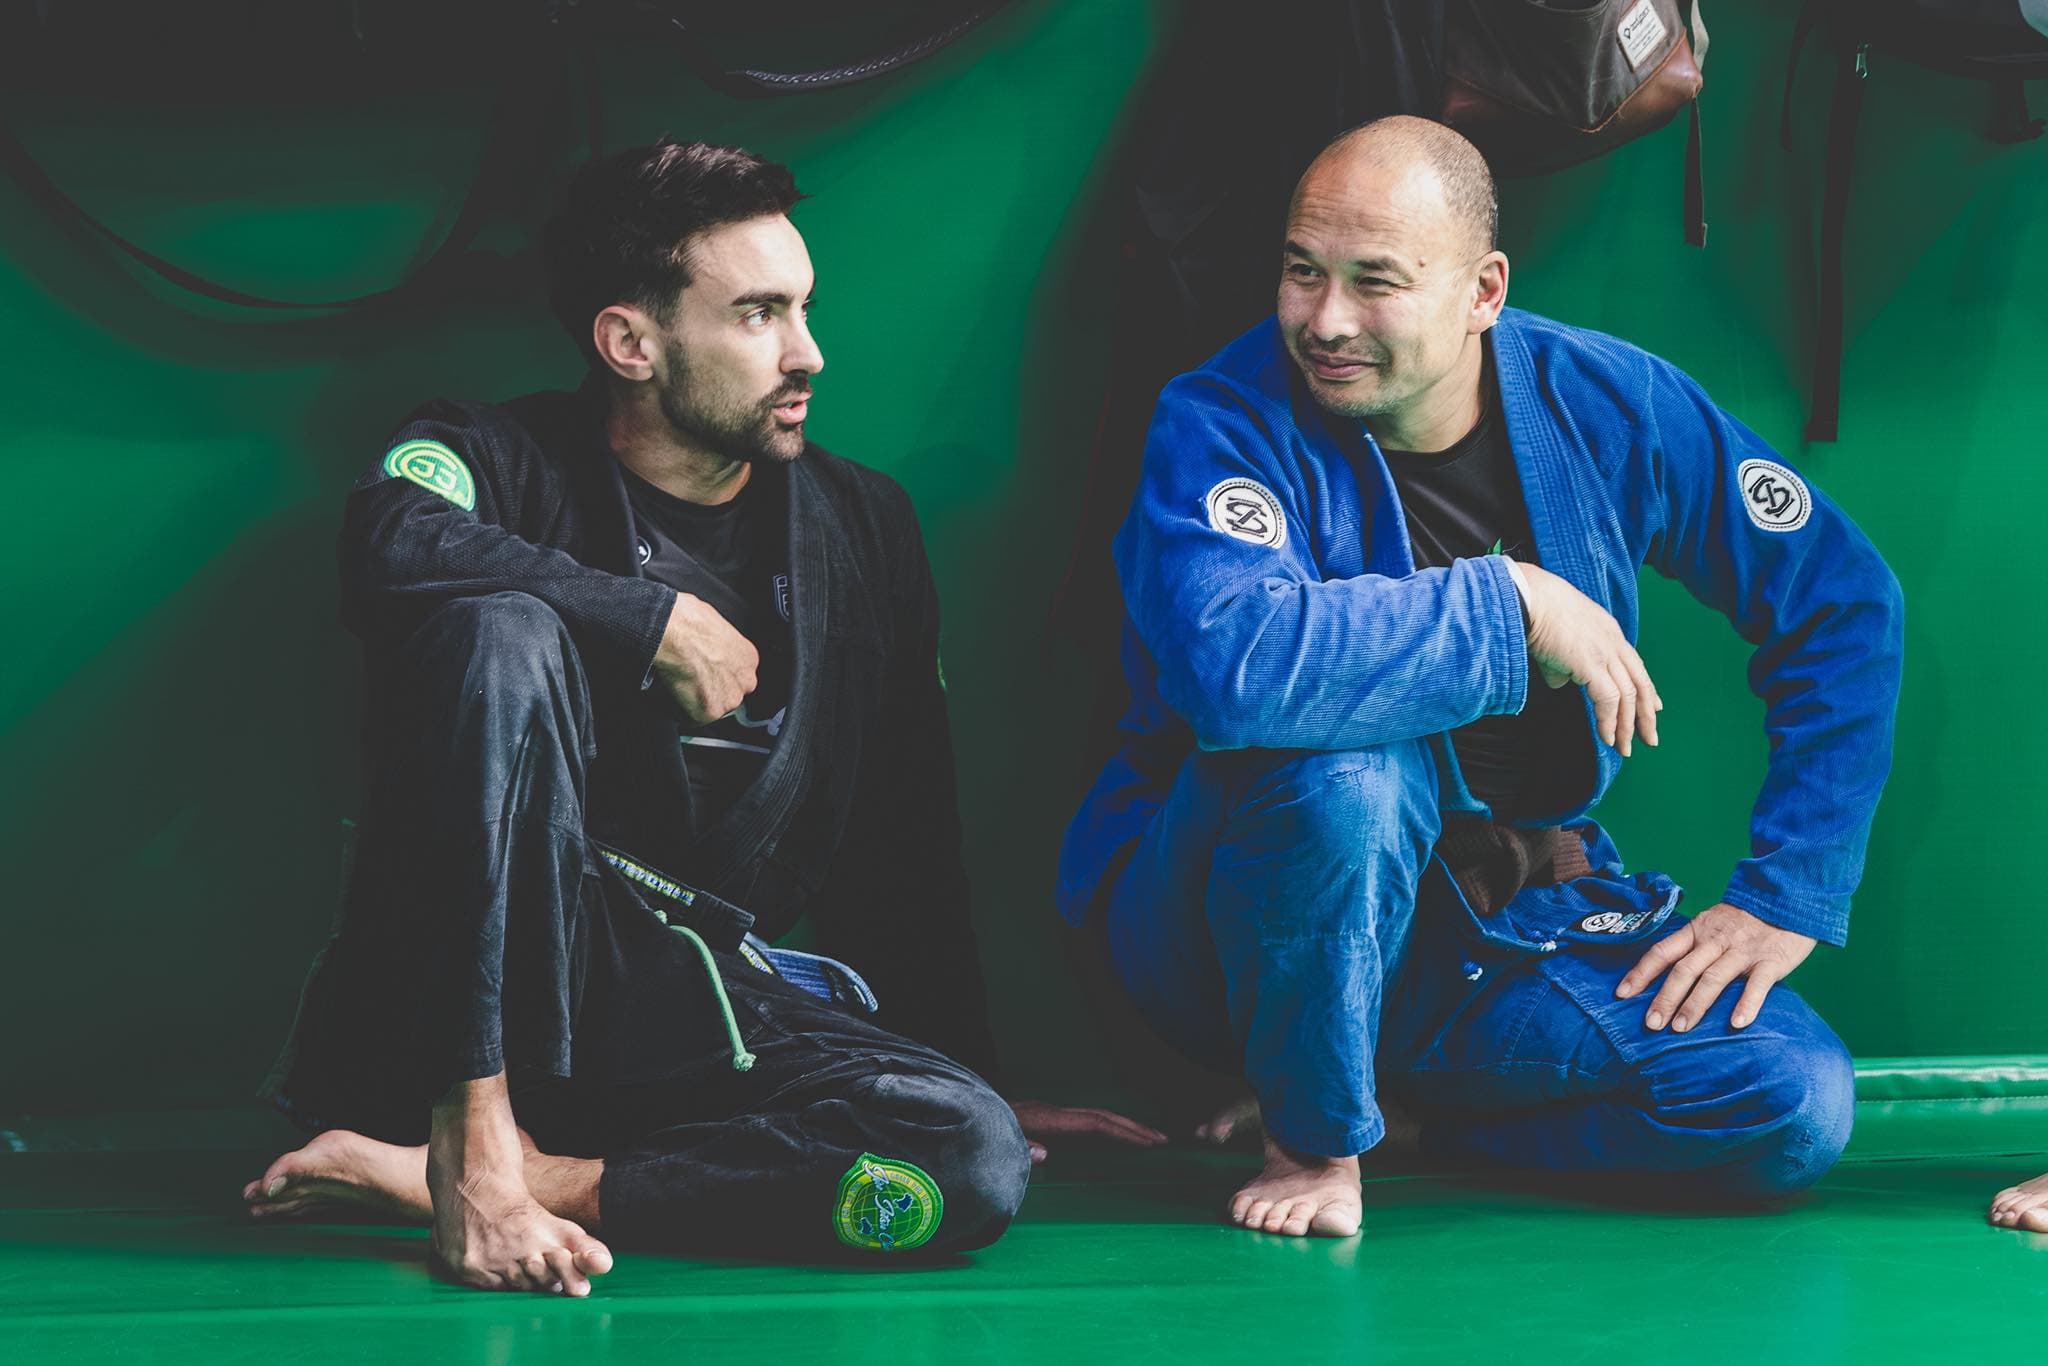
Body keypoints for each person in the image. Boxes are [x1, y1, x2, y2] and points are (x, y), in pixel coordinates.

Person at [245, 138, 1162, 1295]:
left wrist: (944, 1068)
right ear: (631, 341)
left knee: (966, 1153)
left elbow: (903, 829)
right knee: (501, 625)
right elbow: (386, 535)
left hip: (696, 1017)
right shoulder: (496, 457)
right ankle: (468, 1147)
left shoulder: (861, 524)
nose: (807, 353)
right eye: (758, 315)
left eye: (806, 309)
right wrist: (643, 618)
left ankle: (522, 1177)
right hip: (480, 1010)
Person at [1057, 116, 1905, 1238]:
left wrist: (1784, 891)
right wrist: (1508, 604)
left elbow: (1840, 599)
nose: (1322, 320)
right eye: (1301, 271)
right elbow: (1237, 669)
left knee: (1787, 1102)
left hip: (1486, 924)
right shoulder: (1218, 421)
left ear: (1482, 290)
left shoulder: (1605, 405)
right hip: (1226, 923)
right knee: (1346, 763)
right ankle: (1310, 1136)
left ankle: (1408, 1119)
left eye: (1375, 283)